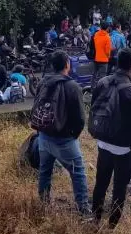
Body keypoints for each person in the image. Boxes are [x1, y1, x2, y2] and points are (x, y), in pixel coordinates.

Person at [91, 48, 131, 227]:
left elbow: (95, 107)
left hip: (103, 140)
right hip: (124, 148)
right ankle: (112, 225)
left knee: (101, 182)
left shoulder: (102, 82)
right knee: (119, 187)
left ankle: (95, 219)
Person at [36, 51, 91, 216]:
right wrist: (73, 135)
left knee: (45, 170)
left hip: (43, 136)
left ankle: (43, 203)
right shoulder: (72, 86)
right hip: (64, 139)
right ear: (67, 64)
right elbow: (81, 118)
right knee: (78, 172)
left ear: (52, 65)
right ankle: (83, 209)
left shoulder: (43, 82)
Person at [92, 22, 112, 87]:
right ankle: (100, 90)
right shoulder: (107, 37)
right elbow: (107, 51)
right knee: (102, 77)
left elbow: (94, 45)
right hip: (104, 60)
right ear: (107, 28)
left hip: (96, 58)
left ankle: (93, 89)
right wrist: (108, 57)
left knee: (94, 74)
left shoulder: (96, 34)